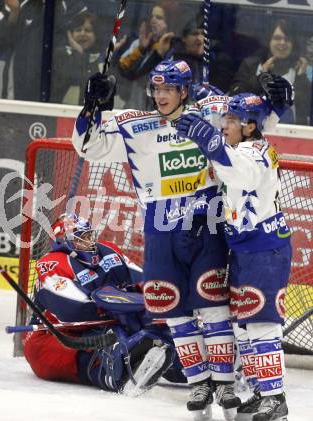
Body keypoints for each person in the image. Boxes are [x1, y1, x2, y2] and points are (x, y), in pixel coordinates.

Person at [71, 60, 241, 420]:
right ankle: (198, 383)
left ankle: (224, 381)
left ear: (184, 91)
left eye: (169, 89)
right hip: (160, 229)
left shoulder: (208, 113)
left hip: (206, 225)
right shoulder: (136, 124)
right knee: (174, 311)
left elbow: (252, 123)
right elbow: (88, 147)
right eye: (157, 89)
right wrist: (92, 106)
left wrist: (245, 103)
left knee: (213, 308)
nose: (161, 96)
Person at [176, 93, 292, 421]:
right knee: (244, 326)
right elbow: (230, 155)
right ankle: (260, 391)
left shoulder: (254, 152)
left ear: (249, 125)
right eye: (224, 120)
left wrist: (206, 139)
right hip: (244, 250)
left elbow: (237, 172)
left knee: (262, 324)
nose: (223, 125)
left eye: (230, 121)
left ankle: (274, 396)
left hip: (265, 249)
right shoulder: (244, 143)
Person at [22, 213, 186, 394]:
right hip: (53, 336)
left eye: (88, 235)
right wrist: (119, 306)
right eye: (80, 238)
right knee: (99, 344)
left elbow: (142, 282)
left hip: (101, 325)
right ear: (63, 241)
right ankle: (112, 372)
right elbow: (75, 309)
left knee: (150, 318)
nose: (88, 242)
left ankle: (181, 362)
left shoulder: (108, 251)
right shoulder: (51, 264)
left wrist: (160, 301)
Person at [230, 18, 310, 125]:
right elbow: (235, 100)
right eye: (277, 38)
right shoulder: (250, 65)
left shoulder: (300, 69)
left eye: (287, 39)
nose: (282, 43)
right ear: (269, 41)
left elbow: (305, 109)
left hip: (291, 134)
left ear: (293, 44)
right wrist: (261, 77)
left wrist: (301, 77)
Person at [50, 11, 102, 105]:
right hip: (62, 112)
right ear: (70, 34)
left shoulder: (101, 59)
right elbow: (61, 84)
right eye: (78, 30)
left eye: (88, 30)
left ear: (96, 35)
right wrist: (78, 54)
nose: (82, 34)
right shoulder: (60, 54)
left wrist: (81, 55)